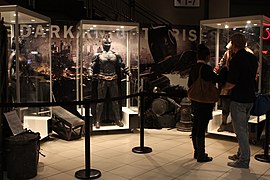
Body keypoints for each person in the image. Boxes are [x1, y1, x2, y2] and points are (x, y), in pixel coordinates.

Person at [222, 33, 258, 169]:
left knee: (240, 130)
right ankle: (240, 154)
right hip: (250, 98)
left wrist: (223, 88)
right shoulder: (252, 58)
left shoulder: (236, 59)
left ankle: (244, 160)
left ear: (233, 44)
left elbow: (232, 82)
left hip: (239, 99)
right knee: (245, 129)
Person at [188, 43, 219, 162]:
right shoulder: (206, 68)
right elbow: (216, 79)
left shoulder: (193, 68)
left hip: (195, 101)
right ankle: (201, 154)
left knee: (196, 126)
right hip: (204, 102)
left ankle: (197, 152)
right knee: (201, 127)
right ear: (207, 56)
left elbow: (190, 84)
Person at [91, 35, 130, 129]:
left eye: (109, 43)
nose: (107, 45)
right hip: (102, 79)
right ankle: (97, 120)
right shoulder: (98, 56)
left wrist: (128, 72)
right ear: (102, 43)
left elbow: (122, 66)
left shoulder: (116, 55)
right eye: (106, 43)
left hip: (113, 79)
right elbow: (91, 67)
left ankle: (117, 119)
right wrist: (90, 73)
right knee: (100, 102)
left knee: (115, 101)